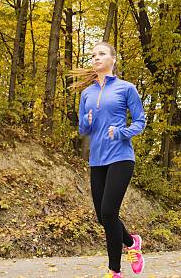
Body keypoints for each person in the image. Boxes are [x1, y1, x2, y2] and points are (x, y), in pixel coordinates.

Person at [74, 41, 146, 278]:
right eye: (93, 55)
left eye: (102, 54)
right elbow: (82, 128)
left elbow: (140, 122)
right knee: (103, 216)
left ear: (113, 59)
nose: (96, 58)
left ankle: (114, 271)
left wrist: (122, 132)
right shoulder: (87, 93)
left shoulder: (127, 88)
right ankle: (132, 242)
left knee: (108, 210)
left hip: (121, 157)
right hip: (97, 159)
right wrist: (87, 119)